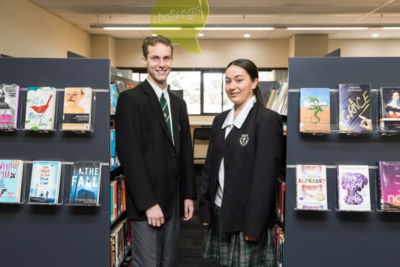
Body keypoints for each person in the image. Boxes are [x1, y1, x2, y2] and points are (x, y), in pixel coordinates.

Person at [115, 35, 197, 267]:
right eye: (155, 58)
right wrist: (148, 203)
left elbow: (185, 152)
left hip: (174, 200)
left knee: (168, 262)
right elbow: (130, 156)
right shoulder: (129, 100)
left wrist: (189, 194)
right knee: (149, 263)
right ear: (144, 60)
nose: (162, 64)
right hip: (147, 203)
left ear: (172, 60)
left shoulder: (178, 103)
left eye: (166, 58)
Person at [198, 59, 283, 267]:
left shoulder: (267, 120)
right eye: (228, 81)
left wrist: (254, 224)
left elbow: (265, 177)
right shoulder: (221, 120)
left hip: (248, 217)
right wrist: (205, 207)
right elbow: (210, 166)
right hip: (222, 208)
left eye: (239, 80)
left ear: (254, 82)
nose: (232, 87)